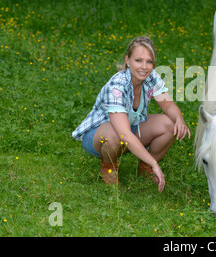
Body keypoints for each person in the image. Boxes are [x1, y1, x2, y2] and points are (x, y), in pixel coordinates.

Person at [72, 36, 190, 191]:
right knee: (116, 134)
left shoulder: (151, 77)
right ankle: (109, 168)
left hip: (130, 129)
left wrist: (179, 119)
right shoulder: (117, 86)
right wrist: (157, 164)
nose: (144, 67)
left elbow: (168, 105)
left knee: (169, 124)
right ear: (127, 60)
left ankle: (146, 167)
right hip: (98, 135)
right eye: (138, 60)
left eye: (149, 61)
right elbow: (124, 135)